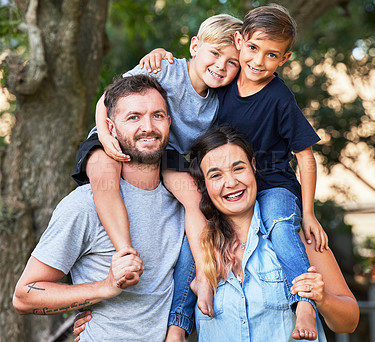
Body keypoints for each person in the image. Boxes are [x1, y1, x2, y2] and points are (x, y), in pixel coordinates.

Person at [138, 3, 328, 339]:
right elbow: (189, 76)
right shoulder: (223, 83)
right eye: (253, 49)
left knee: (281, 228)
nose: (258, 62)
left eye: (272, 55)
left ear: (283, 60)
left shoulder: (279, 97)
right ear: (240, 42)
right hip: (227, 187)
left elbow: (306, 156)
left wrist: (309, 213)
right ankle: (178, 327)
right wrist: (160, 56)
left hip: (272, 186)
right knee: (192, 242)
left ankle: (304, 304)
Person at [74, 126, 359, 341]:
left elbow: (348, 321)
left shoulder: (297, 234)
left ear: (254, 168)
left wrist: (322, 299)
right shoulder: (192, 249)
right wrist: (97, 319)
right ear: (204, 185)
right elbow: (150, 304)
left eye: (239, 168)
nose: (231, 183)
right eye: (216, 175)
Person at [72, 15, 242, 338]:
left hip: (163, 154)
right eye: (215, 54)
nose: (221, 66)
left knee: (196, 199)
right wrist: (106, 134)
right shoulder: (165, 69)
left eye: (232, 62)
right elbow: (109, 97)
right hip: (120, 136)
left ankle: (203, 276)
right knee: (104, 175)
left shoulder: (219, 101)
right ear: (195, 46)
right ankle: (124, 252)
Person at [13, 75, 186, 342]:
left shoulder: (181, 201)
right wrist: (104, 288)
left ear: (169, 122)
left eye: (158, 115)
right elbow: (25, 295)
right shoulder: (85, 204)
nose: (148, 127)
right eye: (134, 117)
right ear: (110, 127)